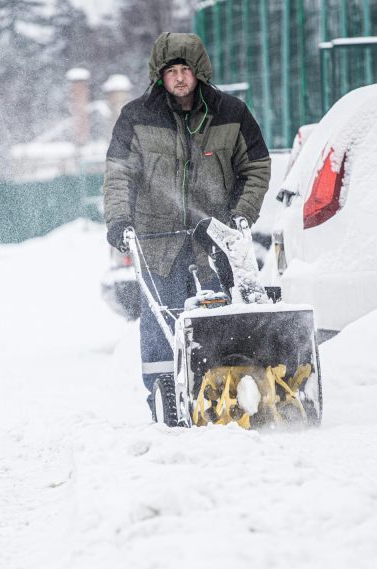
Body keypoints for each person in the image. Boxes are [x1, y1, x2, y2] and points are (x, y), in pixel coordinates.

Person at [102, 32, 272, 419]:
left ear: (199, 73)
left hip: (213, 240)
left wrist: (241, 214)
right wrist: (119, 220)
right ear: (158, 76)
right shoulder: (136, 116)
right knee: (162, 326)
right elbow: (118, 174)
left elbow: (256, 167)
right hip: (157, 243)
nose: (179, 78)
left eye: (186, 70)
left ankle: (223, 398)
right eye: (171, 71)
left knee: (219, 322)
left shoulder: (231, 112)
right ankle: (166, 407)